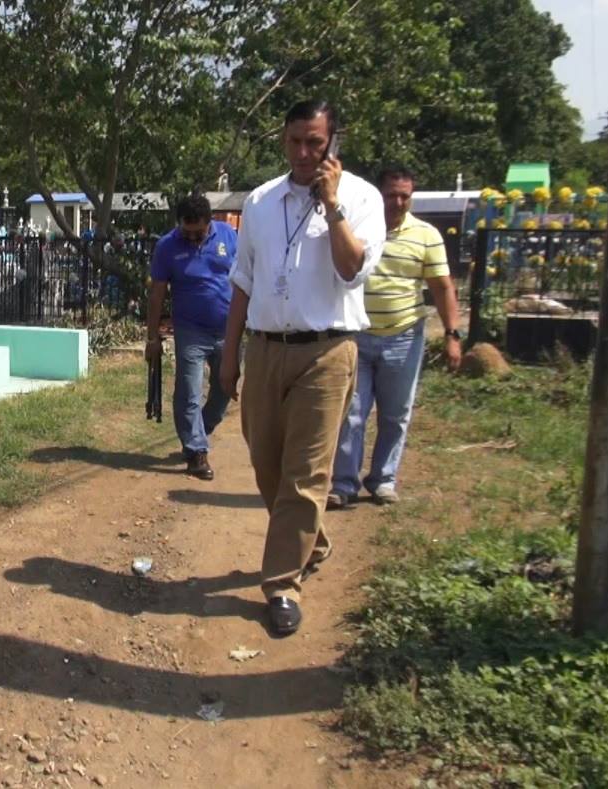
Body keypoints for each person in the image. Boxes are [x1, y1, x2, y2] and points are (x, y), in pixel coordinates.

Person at [219, 99, 385, 637]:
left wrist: (332, 204)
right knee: (266, 463)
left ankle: (281, 585)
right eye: (295, 141)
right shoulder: (262, 201)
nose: (305, 153)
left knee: (306, 473)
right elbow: (243, 280)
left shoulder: (362, 198)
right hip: (266, 348)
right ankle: (313, 542)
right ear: (284, 140)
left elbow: (351, 267)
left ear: (333, 142)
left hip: (327, 350)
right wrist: (229, 355)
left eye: (316, 142)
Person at [329, 167, 462, 508]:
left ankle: (383, 479)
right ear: (379, 194)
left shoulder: (426, 235)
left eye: (405, 196)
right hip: (356, 336)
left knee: (395, 414)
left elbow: (443, 287)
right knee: (352, 414)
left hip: (404, 337)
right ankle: (343, 484)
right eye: (392, 195)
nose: (399, 202)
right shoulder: (357, 228)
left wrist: (452, 334)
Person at [145, 194, 237, 480]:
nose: (194, 238)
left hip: (227, 330)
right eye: (188, 232)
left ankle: (200, 430)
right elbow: (157, 293)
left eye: (200, 232)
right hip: (190, 331)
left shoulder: (229, 237)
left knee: (226, 387)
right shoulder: (167, 247)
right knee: (189, 390)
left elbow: (247, 277)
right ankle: (197, 452)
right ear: (179, 224)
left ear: (211, 222)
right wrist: (152, 337)